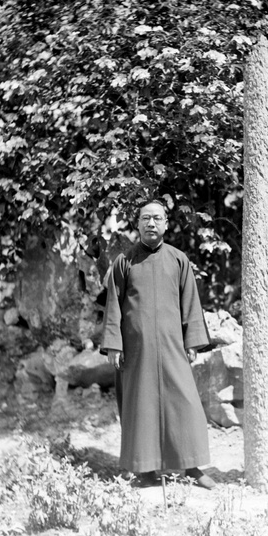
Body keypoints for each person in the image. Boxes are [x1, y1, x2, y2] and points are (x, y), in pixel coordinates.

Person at [101, 199, 215, 489]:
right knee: (141, 408)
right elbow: (113, 306)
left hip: (172, 346)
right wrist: (115, 344)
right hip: (135, 350)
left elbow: (190, 302)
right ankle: (144, 471)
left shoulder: (179, 260)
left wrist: (192, 341)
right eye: (145, 219)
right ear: (137, 224)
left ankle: (191, 467)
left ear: (166, 223)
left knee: (185, 402)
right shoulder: (124, 262)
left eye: (157, 218)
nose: (151, 223)